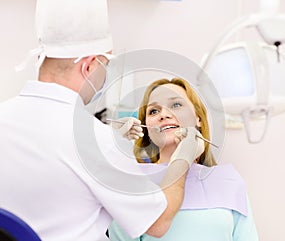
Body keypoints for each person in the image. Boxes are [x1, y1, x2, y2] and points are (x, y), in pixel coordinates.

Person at [0, 1, 203, 240]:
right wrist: (182, 159)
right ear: (89, 66)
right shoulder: (93, 139)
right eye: (106, 66)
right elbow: (158, 222)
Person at [109, 78, 259, 241]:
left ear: (198, 119)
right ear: (145, 128)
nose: (164, 115)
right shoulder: (131, 183)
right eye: (153, 111)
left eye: (176, 105)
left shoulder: (228, 180)